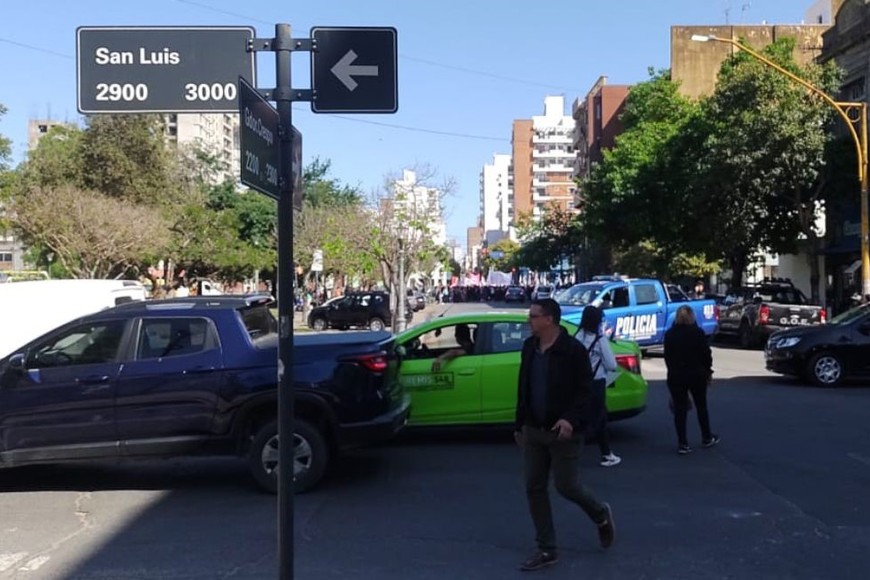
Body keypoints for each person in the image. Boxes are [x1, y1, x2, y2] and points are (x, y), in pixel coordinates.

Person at [514, 299, 615, 572]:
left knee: (566, 486)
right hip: (534, 429)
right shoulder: (530, 348)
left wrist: (570, 418)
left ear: (549, 319)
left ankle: (599, 514)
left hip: (564, 432)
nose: (529, 321)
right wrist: (519, 424)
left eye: (533, 316)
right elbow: (524, 387)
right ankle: (547, 548)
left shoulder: (573, 350)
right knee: (534, 487)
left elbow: (586, 391)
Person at [663, 305, 719, 455]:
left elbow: (668, 357)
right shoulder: (698, 333)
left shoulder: (670, 335)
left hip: (677, 375)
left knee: (680, 410)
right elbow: (706, 355)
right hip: (696, 374)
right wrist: (708, 371)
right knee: (701, 406)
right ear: (692, 316)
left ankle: (683, 443)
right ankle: (706, 437)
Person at [575, 305, 621, 467]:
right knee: (599, 419)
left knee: (578, 420)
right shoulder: (600, 340)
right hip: (596, 383)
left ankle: (570, 454)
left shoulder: (577, 336)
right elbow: (612, 365)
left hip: (578, 382)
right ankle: (606, 454)